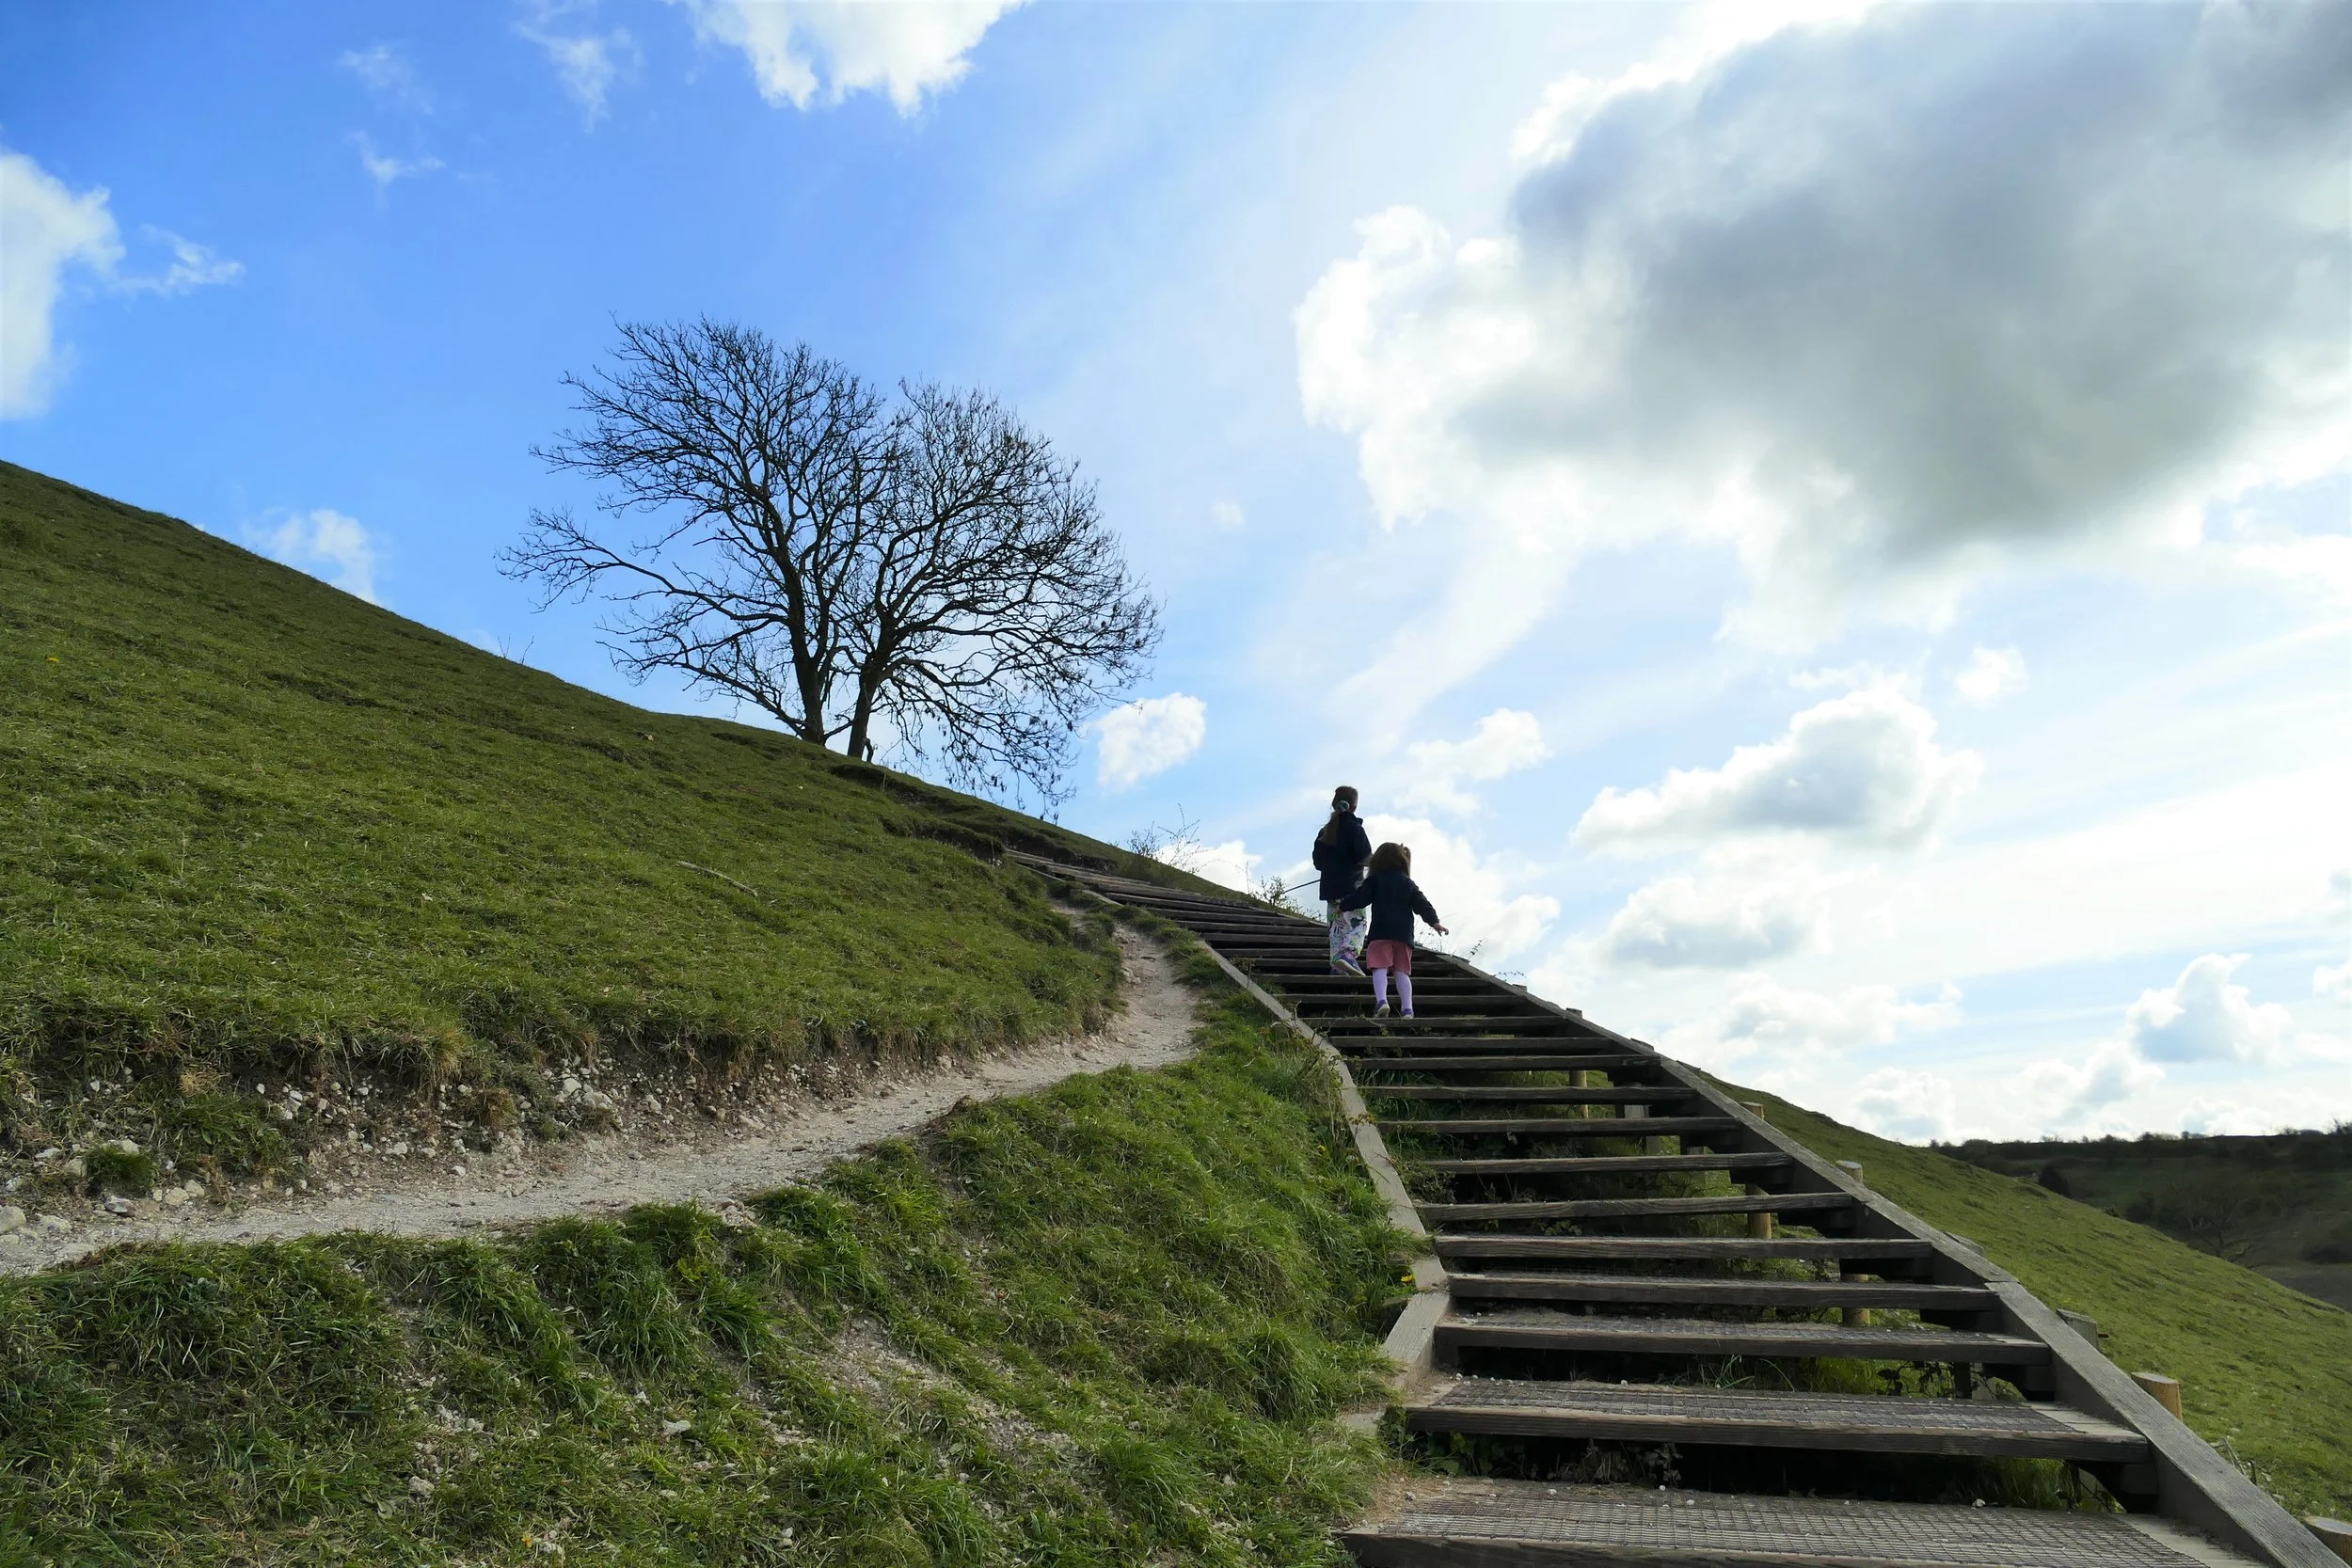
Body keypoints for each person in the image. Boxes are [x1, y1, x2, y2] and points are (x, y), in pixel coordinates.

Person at [1335, 841, 1447, 1018]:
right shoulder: (1407, 883)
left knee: (1379, 968)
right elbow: (1422, 903)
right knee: (1402, 972)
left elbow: (1361, 897)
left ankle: (1382, 1001)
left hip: (1381, 933)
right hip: (1403, 936)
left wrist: (1344, 905)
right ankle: (1407, 1009)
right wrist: (1435, 922)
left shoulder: (1375, 879)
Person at [1311, 785, 1374, 975]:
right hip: (1351, 889)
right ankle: (1348, 955)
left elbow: (1318, 862)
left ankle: (1337, 970)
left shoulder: (1325, 831)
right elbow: (1365, 856)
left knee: (1337, 930)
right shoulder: (1355, 828)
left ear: (1334, 804)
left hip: (1330, 890)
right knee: (1358, 924)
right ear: (1354, 807)